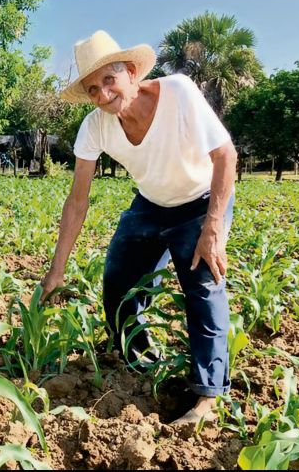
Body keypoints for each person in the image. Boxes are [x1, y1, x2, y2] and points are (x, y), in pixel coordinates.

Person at [38, 30, 237, 426]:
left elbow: (225, 154)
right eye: (92, 89)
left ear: (131, 72)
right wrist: (56, 270)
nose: (102, 95)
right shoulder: (95, 126)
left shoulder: (178, 92)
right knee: (118, 285)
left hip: (200, 200)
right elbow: (78, 200)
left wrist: (213, 226)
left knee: (203, 284)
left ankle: (207, 400)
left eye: (108, 81)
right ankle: (140, 360)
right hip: (150, 204)